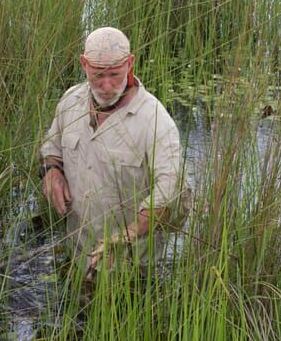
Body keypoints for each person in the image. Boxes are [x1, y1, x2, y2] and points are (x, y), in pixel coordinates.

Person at [39, 27, 188, 277]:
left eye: (115, 75)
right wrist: (51, 171)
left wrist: (123, 238)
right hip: (77, 251)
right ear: (83, 64)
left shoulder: (155, 121)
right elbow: (51, 150)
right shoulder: (70, 102)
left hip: (129, 264)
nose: (107, 85)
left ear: (130, 64)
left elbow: (171, 195)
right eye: (98, 75)